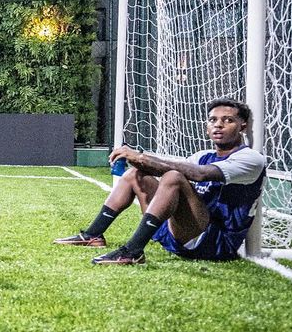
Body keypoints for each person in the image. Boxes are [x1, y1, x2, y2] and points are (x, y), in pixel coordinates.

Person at [54, 97, 266, 265]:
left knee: (174, 176)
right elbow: (168, 170)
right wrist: (135, 161)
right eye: (213, 120)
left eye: (228, 120)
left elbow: (199, 174)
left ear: (243, 126)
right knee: (135, 175)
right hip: (178, 234)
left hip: (212, 242)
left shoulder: (250, 159)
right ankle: (93, 235)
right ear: (207, 126)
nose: (218, 125)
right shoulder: (203, 154)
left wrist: (142, 157)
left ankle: (132, 251)